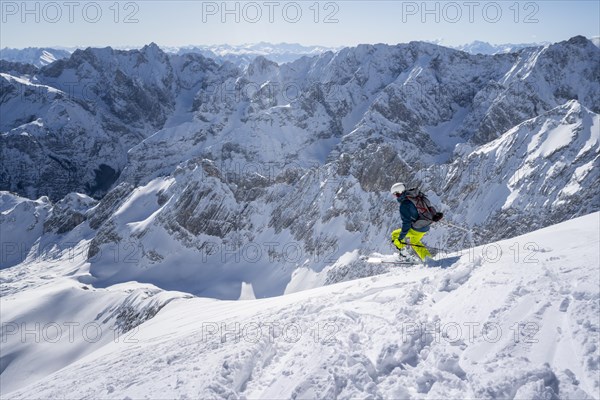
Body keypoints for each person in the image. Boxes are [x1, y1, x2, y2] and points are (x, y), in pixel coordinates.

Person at [390, 182, 443, 261]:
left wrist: (401, 238)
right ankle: (427, 259)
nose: (395, 197)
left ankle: (404, 256)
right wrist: (434, 215)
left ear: (399, 193)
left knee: (395, 234)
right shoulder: (415, 196)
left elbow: (406, 223)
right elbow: (428, 205)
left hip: (418, 227)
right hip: (426, 225)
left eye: (395, 194)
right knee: (414, 241)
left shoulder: (404, 205)